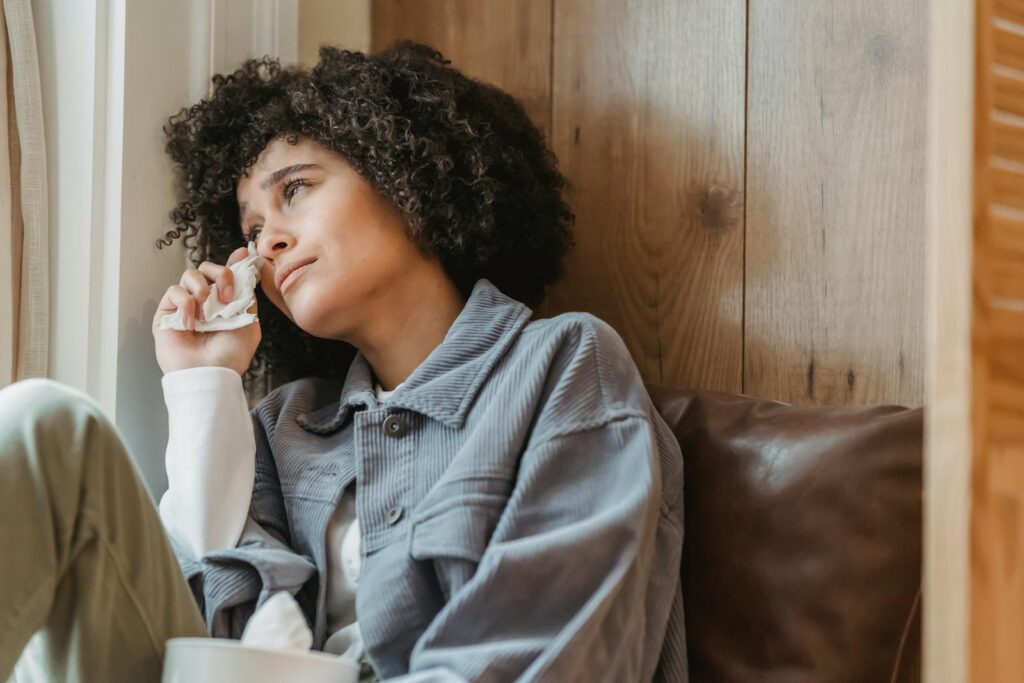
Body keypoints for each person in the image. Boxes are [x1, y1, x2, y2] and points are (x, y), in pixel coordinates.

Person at [0, 41, 686, 682]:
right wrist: (201, 383)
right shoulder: (283, 424)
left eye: (293, 189)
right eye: (252, 230)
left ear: (403, 168)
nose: (267, 244)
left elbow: (537, 656)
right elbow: (202, 631)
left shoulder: (564, 368)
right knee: (43, 427)